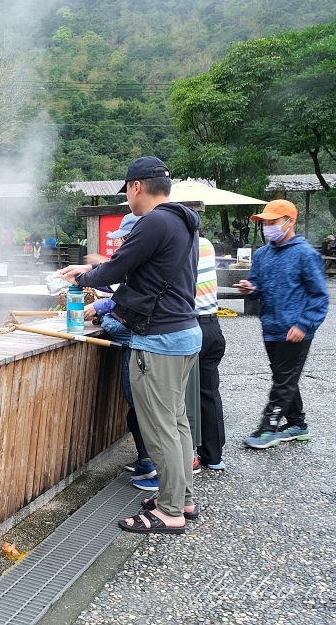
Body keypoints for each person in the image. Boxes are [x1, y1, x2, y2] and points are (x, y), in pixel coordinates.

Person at [59, 157, 201, 534]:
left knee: (160, 429)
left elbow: (118, 270)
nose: (128, 201)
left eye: (128, 192)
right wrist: (95, 272)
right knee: (177, 422)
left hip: (159, 339)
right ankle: (181, 497)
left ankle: (170, 511)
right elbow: (144, 271)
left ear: (136, 186)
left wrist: (85, 274)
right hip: (184, 333)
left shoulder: (153, 221)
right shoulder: (183, 221)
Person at [236, 199, 329, 449]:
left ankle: (269, 428)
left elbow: (319, 296)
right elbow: (257, 285)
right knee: (283, 377)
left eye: (273, 222)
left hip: (295, 330)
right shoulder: (263, 254)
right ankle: (298, 423)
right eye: (265, 223)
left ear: (290, 222)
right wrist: (250, 288)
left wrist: (305, 325)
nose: (268, 227)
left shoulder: (306, 254)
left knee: (283, 381)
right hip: (271, 327)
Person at [83, 213, 157, 492]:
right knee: (144, 412)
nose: (122, 243)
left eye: (125, 238)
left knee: (143, 413)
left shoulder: (144, 269)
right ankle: (148, 463)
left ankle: (153, 468)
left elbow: (129, 323)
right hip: (144, 352)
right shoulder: (142, 268)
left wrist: (106, 316)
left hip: (143, 354)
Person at [194, 233, 227, 469]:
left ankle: (188, 458)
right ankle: (214, 456)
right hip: (212, 326)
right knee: (208, 392)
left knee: (181, 396)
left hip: (190, 328)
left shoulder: (179, 246)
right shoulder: (205, 244)